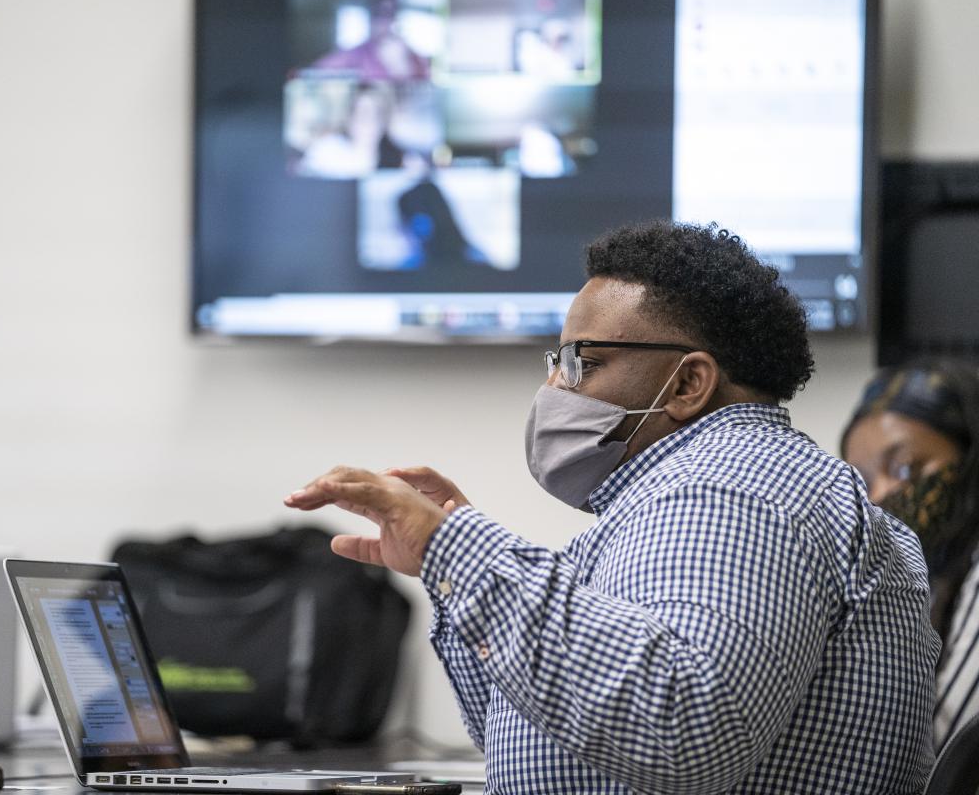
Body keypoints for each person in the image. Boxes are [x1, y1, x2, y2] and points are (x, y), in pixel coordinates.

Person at [285, 220, 938, 793]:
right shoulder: (677, 499)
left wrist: (463, 550)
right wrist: (451, 569)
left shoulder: (734, 486)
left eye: (582, 363)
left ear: (688, 382)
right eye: (556, 363)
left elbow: (683, 728)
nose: (553, 388)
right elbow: (553, 739)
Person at [841, 359, 979, 747]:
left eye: (903, 469)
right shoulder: (924, 574)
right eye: (862, 482)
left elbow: (950, 756)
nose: (880, 495)